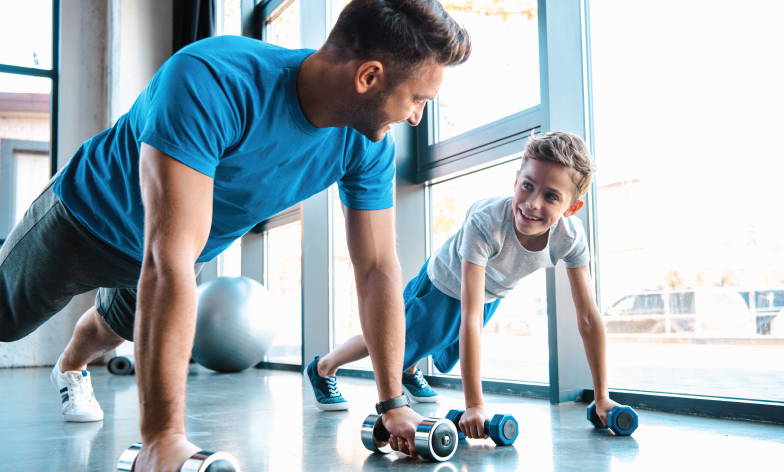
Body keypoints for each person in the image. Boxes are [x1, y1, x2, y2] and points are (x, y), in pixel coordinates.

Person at [0, 0, 471, 468]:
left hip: (175, 255)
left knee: (111, 327)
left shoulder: (366, 145)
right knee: (5, 320)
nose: (415, 118)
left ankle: (70, 366)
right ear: (368, 76)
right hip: (86, 220)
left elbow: (377, 269)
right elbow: (167, 260)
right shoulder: (213, 79)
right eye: (417, 100)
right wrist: (162, 439)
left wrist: (393, 403)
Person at [310, 131, 621, 437]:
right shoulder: (486, 221)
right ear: (516, 181)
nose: (532, 203)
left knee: (435, 350)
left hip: (490, 295)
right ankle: (324, 367)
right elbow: (468, 316)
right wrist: (474, 404)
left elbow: (589, 317)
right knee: (390, 338)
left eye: (551, 196)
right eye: (527, 186)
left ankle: (408, 367)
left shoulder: (571, 238)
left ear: (571, 208)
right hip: (442, 286)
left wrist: (601, 395)